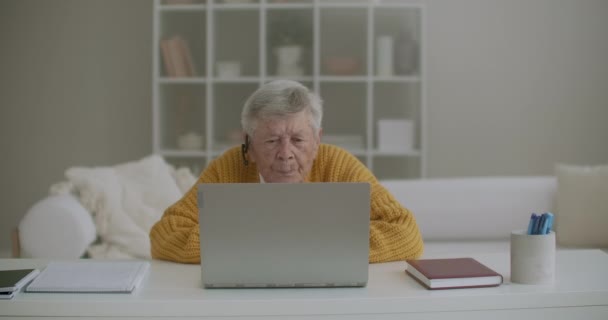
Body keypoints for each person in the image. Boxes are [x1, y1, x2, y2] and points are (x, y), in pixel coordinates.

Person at [150, 79, 423, 263]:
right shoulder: (231, 165)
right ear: (250, 146)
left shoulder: (338, 164)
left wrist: (306, 244)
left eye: (298, 140)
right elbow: (165, 235)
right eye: (271, 141)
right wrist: (271, 244)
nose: (285, 153)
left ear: (317, 141)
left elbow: (406, 233)